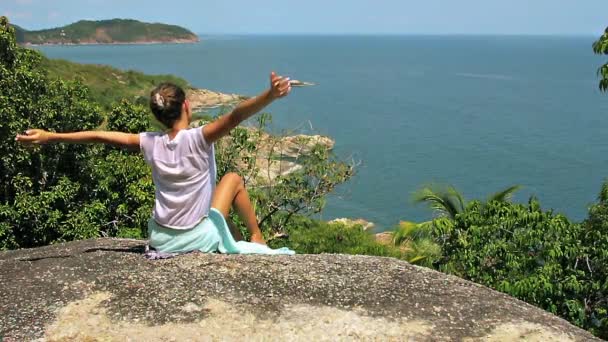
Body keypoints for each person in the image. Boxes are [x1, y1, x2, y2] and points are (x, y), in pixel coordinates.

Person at [16, 72, 295, 255]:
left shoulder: (149, 142)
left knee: (224, 225)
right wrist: (269, 95)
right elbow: (235, 116)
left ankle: (239, 240)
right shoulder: (198, 138)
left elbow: (100, 135)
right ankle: (257, 236)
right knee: (233, 179)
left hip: (160, 238)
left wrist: (51, 136)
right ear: (186, 107)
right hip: (191, 240)